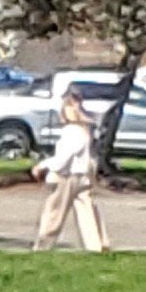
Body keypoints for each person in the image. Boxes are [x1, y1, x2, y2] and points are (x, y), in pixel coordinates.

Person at [37, 91, 109, 251]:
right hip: (82, 176)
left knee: (54, 213)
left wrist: (43, 166)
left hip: (66, 176)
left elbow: (63, 158)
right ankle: (97, 245)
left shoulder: (71, 131)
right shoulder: (85, 131)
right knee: (87, 211)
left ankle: (43, 246)